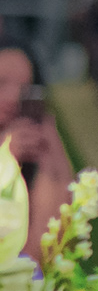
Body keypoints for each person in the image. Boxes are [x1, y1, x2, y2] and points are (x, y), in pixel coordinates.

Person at [0, 42, 74, 258]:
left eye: (25, 89)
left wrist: (54, 160)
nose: (13, 97)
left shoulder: (37, 150)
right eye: (1, 83)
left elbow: (45, 253)